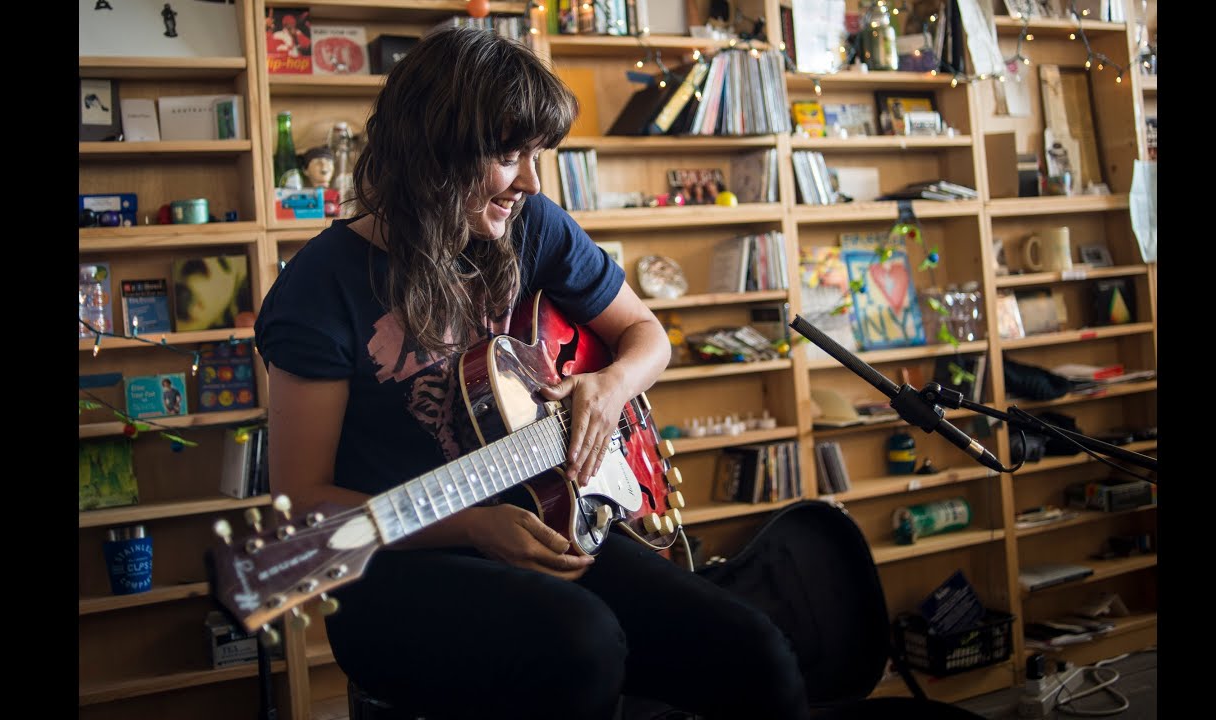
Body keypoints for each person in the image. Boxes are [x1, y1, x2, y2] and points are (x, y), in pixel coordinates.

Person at [254, 25, 808, 720]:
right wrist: (474, 527)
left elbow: (647, 336)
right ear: (434, 150)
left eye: (537, 154)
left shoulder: (532, 226)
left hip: (547, 521)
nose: (532, 181)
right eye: (510, 155)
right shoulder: (319, 291)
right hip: (394, 569)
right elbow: (304, 511)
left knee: (757, 652)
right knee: (583, 644)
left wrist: (609, 387)